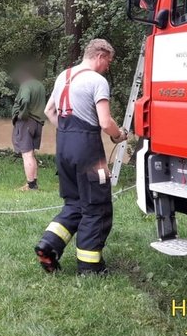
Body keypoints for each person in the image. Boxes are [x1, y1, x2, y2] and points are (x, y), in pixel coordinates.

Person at [34, 39, 128, 275]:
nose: (108, 67)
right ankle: (90, 267)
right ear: (100, 56)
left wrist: (68, 133)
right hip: (87, 150)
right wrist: (119, 136)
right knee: (97, 207)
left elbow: (49, 111)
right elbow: (105, 122)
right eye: (109, 61)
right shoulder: (97, 81)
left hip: (63, 146)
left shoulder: (63, 76)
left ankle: (48, 246)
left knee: (75, 203)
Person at [11, 66, 47, 191]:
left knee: (26, 155)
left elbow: (25, 100)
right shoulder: (40, 86)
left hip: (27, 122)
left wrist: (21, 115)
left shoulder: (26, 85)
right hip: (38, 123)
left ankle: (30, 185)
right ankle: (33, 183)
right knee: (31, 154)